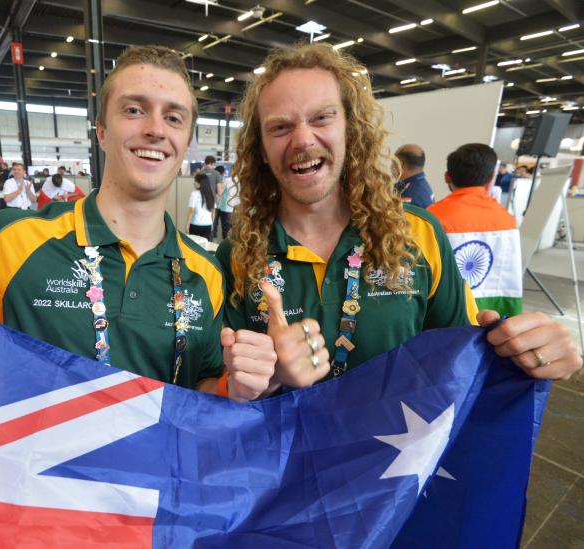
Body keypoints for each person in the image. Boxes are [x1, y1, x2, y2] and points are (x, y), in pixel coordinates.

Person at [0, 44, 279, 401]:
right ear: (101, 132)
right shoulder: (7, 242)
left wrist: (237, 386)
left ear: (185, 140)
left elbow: (203, 388)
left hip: (153, 474)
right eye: (133, 110)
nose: (156, 129)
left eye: (173, 117)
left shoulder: (205, 274)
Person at [217, 42, 580, 392]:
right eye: (280, 127)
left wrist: (527, 354)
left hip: (401, 453)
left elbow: (465, 361)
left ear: (350, 130)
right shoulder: (237, 254)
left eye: (322, 118)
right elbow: (225, 393)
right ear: (261, 150)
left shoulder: (417, 233)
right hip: (286, 453)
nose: (302, 140)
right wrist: (271, 378)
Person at [428, 144, 522, 317]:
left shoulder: (431, 218)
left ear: (447, 177)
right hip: (494, 319)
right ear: (491, 177)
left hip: (447, 319)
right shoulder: (507, 220)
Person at [395, 144, 435, 209]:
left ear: (400, 163)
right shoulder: (419, 184)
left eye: (394, 162)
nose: (392, 166)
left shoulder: (410, 195)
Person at [186, 172, 215, 239]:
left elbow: (191, 210)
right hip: (208, 224)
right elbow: (213, 211)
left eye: (195, 181)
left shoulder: (194, 194)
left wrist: (187, 224)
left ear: (199, 183)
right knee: (206, 246)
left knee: (194, 246)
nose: (194, 183)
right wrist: (212, 224)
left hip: (196, 224)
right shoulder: (211, 194)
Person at [214, 165, 238, 240]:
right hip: (237, 209)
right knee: (235, 229)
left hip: (226, 208)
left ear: (233, 170)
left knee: (226, 230)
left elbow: (220, 192)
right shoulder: (243, 180)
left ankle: (225, 246)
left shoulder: (228, 180)